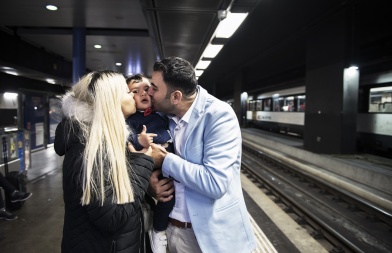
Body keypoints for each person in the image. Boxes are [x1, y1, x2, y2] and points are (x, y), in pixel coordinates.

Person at [147, 56, 257, 253]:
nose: (149, 92)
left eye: (154, 88)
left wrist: (165, 160)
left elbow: (215, 183)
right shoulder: (163, 116)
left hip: (208, 239)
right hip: (168, 230)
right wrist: (151, 187)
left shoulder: (218, 115)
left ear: (176, 97)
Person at [54, 70, 154, 253]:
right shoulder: (93, 148)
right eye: (126, 91)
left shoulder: (98, 140)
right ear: (111, 101)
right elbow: (112, 217)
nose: (133, 94)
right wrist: (144, 162)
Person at [125, 74, 174, 253]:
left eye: (147, 89)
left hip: (169, 164)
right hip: (154, 169)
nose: (144, 94)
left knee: (169, 199)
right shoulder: (132, 120)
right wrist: (141, 141)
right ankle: (158, 231)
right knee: (167, 200)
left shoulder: (161, 114)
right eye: (135, 92)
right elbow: (130, 142)